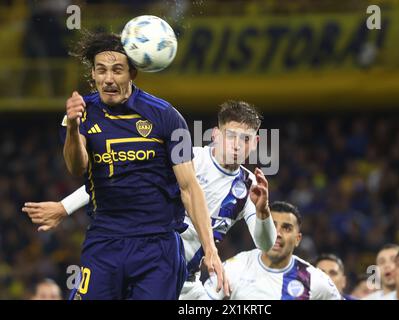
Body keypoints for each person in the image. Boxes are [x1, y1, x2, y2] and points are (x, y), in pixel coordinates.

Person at [29, 31, 224, 300]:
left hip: (158, 247)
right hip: (105, 241)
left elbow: (189, 188)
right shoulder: (80, 113)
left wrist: (210, 250)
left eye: (117, 70)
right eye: (101, 71)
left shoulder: (167, 117)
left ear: (132, 73)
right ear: (93, 75)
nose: (108, 79)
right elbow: (77, 167)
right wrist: (73, 128)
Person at [23, 98, 277, 299]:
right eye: (230, 135)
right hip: (144, 265)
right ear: (216, 135)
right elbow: (120, 180)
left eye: (244, 139)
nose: (236, 145)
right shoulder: (187, 159)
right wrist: (64, 207)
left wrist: (263, 210)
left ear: (254, 143)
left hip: (186, 285)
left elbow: (266, 246)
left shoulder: (250, 187)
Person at [201, 201, 342, 300]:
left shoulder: (314, 280)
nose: (278, 233)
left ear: (298, 239)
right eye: (272, 225)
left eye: (286, 228)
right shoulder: (235, 267)